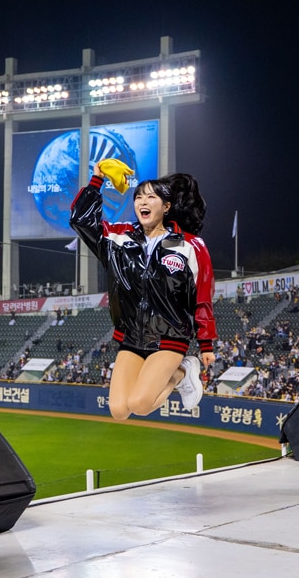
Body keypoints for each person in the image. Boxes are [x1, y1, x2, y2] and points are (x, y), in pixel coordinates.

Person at [69, 165, 216, 419]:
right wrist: (98, 178)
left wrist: (205, 343)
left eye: (151, 196)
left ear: (166, 206)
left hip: (169, 335)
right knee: (118, 411)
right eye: (138, 196)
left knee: (140, 404)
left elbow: (202, 297)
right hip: (131, 337)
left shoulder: (191, 246)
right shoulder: (118, 240)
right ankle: (179, 373)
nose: (142, 201)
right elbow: (80, 221)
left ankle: (182, 370)